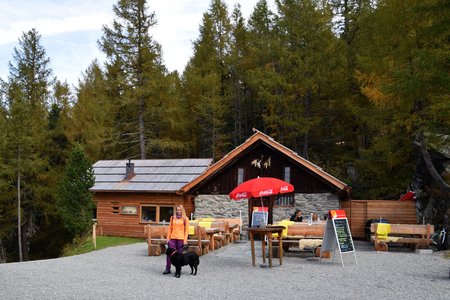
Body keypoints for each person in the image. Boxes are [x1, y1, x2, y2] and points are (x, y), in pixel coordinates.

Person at [163, 205, 189, 275]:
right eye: (177, 210)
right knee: (169, 254)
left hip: (181, 239)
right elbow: (169, 229)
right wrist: (168, 238)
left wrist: (185, 240)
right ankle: (167, 268)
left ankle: (177, 269)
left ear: (182, 211)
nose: (179, 211)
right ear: (176, 211)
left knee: (179, 255)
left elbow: (186, 230)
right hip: (172, 239)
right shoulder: (172, 218)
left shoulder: (185, 219)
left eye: (180, 210)